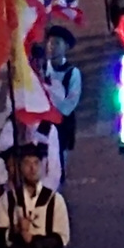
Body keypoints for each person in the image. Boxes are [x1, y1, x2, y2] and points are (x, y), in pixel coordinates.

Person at [44, 26, 81, 178]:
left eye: (57, 43)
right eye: (50, 43)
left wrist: (53, 110)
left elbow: (71, 101)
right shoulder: (41, 68)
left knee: (59, 158)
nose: (52, 47)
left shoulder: (72, 73)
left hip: (62, 123)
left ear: (66, 47)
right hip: (42, 122)